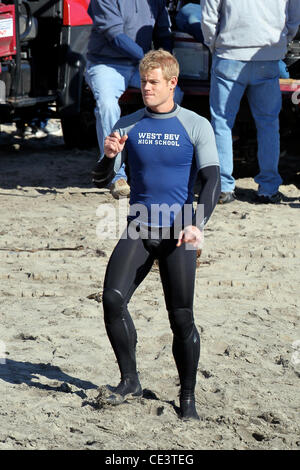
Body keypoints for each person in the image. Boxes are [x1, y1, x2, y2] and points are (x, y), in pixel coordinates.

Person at [92, 49, 220, 420]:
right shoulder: (128, 125)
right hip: (138, 227)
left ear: (172, 84)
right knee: (113, 300)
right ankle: (129, 380)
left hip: (178, 230)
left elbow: (211, 179)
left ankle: (189, 398)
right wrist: (107, 157)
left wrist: (199, 223)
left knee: (181, 318)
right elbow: (102, 179)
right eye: (143, 81)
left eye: (153, 82)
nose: (146, 88)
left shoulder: (196, 125)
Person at [201, 0, 300, 204]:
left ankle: (224, 187)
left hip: (229, 53)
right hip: (268, 55)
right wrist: (280, 45)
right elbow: (293, 19)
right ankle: (268, 187)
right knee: (269, 124)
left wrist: (216, 46)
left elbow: (208, 18)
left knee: (222, 122)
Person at [85, 0, 183, 199]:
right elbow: (115, 36)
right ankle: (115, 175)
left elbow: (163, 32)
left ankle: (163, 166)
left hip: (141, 63)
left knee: (175, 94)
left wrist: (167, 61)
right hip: (107, 63)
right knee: (107, 105)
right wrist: (150, 59)